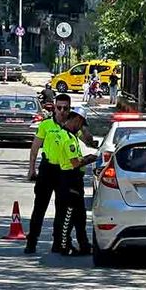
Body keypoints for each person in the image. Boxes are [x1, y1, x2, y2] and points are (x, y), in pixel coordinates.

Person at [24, 93, 73, 254]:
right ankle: (32, 242)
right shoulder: (45, 125)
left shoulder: (73, 125)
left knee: (62, 208)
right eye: (59, 108)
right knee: (40, 207)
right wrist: (32, 169)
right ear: (54, 108)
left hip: (64, 172)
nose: (62, 111)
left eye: (65, 108)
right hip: (47, 169)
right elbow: (35, 148)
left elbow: (86, 139)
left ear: (69, 108)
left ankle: (58, 242)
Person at [57, 107, 97, 255]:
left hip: (75, 179)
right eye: (81, 124)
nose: (81, 127)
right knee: (69, 215)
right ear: (77, 120)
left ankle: (84, 244)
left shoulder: (71, 135)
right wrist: (91, 158)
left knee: (80, 216)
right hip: (69, 179)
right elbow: (74, 162)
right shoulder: (67, 138)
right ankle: (64, 246)